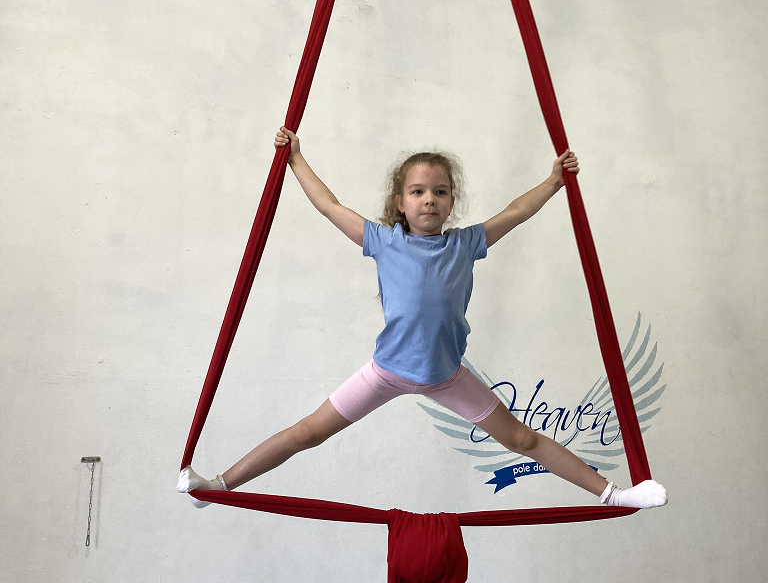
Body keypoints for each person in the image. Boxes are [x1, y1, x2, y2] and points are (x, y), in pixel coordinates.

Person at [178, 127, 667, 510]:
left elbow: (517, 211)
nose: (429, 198)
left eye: (439, 191)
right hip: (386, 371)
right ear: (401, 203)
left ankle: (614, 494)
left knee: (522, 438)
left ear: (452, 202)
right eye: (417, 191)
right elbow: (328, 205)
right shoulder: (383, 240)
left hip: (447, 376)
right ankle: (217, 485)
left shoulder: (466, 243)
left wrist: (555, 181)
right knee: (308, 432)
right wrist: (295, 158)